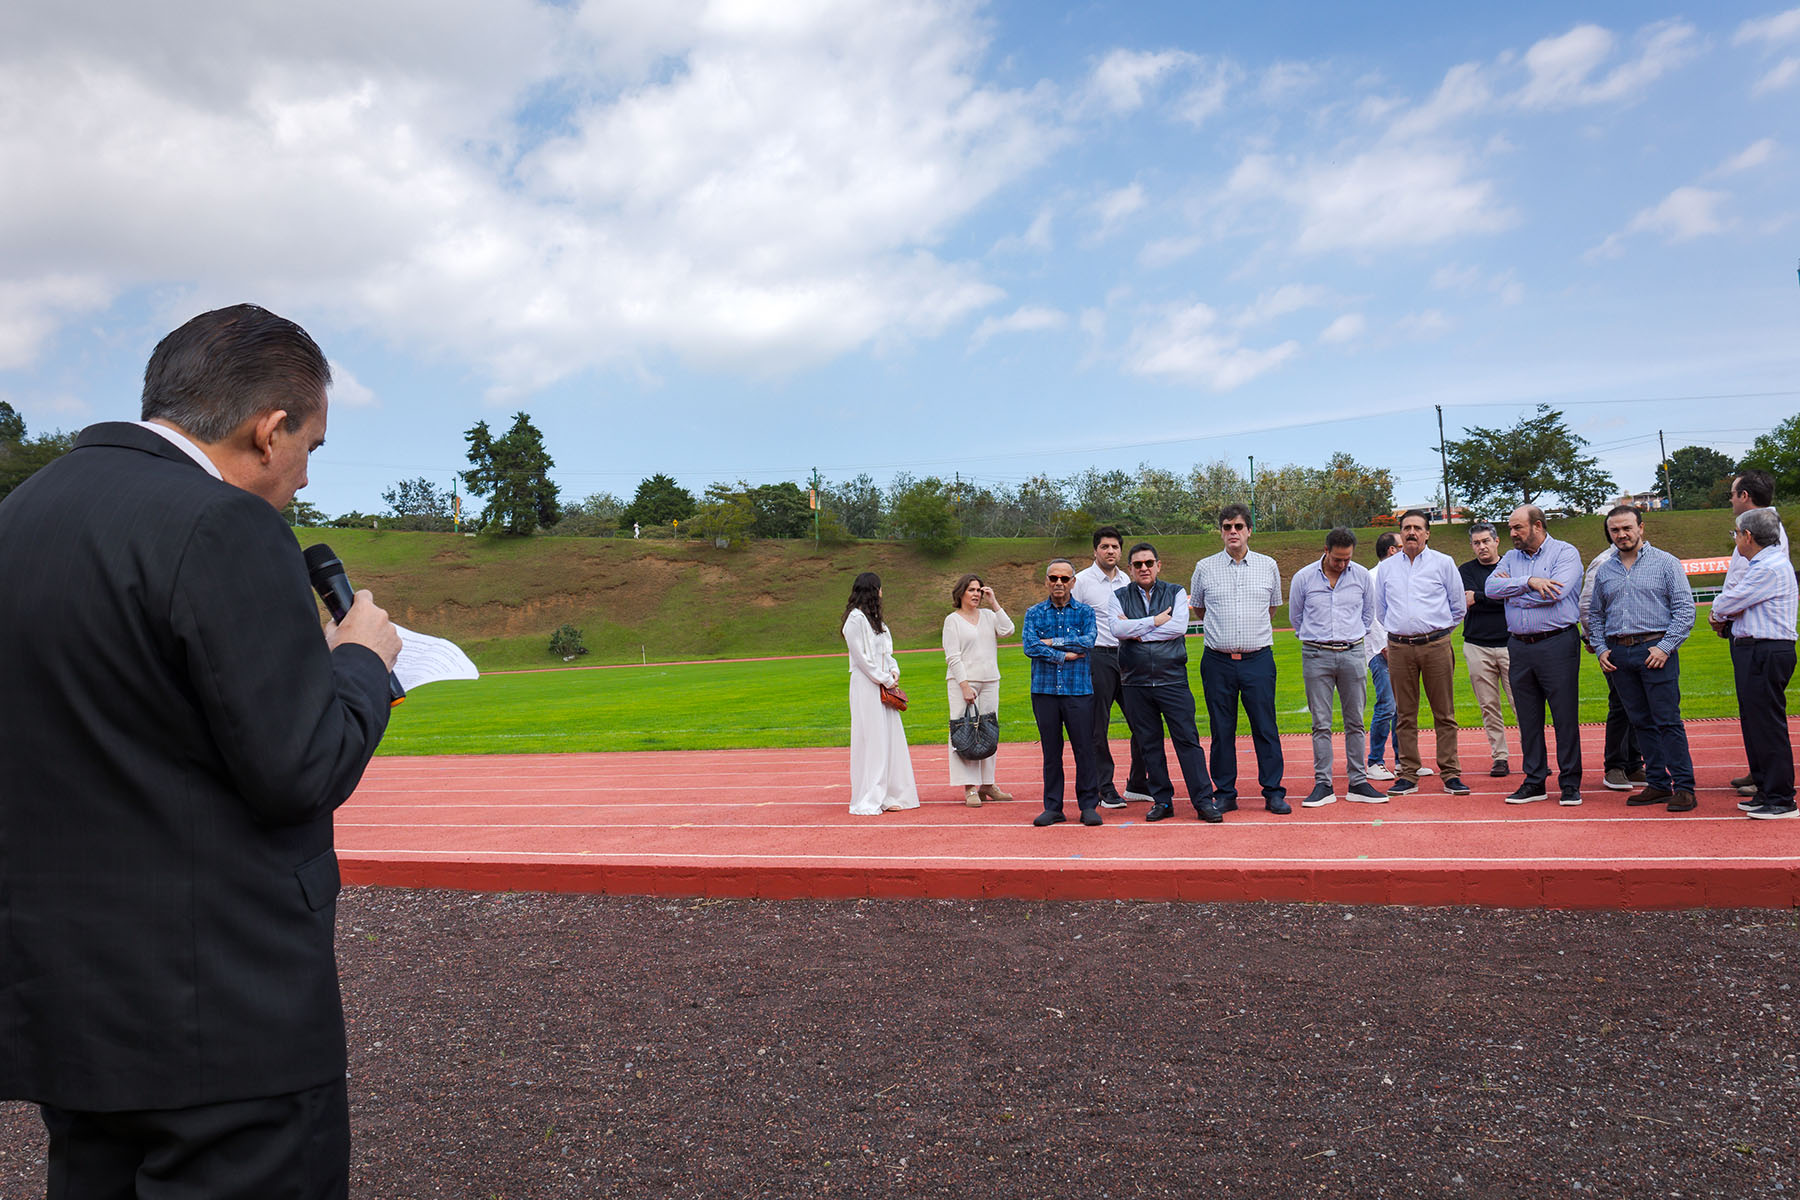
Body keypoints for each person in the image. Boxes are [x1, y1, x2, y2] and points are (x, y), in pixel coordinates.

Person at [0, 304, 403, 1198]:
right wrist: (362, 664)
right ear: (270, 431)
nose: (301, 481)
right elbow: (300, 767)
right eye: (312, 447)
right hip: (223, 1021)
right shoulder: (222, 526)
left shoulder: (19, 517)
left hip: (68, 1014)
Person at [1586, 505, 1697, 812]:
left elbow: (1686, 610)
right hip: (1620, 654)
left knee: (1667, 721)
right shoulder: (1606, 569)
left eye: (1626, 528)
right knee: (1641, 723)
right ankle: (1659, 785)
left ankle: (1684, 787)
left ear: (1641, 528)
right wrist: (1602, 647)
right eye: (1615, 530)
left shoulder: (1665, 563)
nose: (1621, 534)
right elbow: (1596, 613)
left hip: (1655, 651)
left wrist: (1665, 647)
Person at [1107, 542, 1220, 822]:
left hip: (1172, 680)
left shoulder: (1176, 592)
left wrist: (1138, 629)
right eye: (1137, 564)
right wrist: (1155, 621)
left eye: (1148, 563)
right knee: (1149, 745)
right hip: (1135, 682)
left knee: (1188, 741)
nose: (1143, 568)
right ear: (1130, 568)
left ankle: (1203, 800)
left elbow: (1178, 627)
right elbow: (1116, 629)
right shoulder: (1118, 596)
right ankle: (1162, 800)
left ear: (1159, 565)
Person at [1189, 503, 1289, 814]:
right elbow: (1199, 609)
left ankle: (1273, 791)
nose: (1233, 532)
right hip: (1217, 660)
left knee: (1265, 727)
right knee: (1221, 729)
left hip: (1258, 659)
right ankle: (1225, 792)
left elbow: (1271, 609)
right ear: (1220, 531)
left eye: (1239, 526)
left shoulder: (1268, 565)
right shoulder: (1204, 567)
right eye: (1227, 527)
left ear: (1249, 531)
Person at [1486, 505, 1586, 806]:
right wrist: (1528, 583)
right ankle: (1534, 780)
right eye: (1510, 528)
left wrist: (1514, 597)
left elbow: (1555, 593)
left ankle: (1570, 783)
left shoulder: (1565, 553)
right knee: (1528, 718)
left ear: (1538, 526)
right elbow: (1491, 588)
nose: (1512, 534)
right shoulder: (1511, 558)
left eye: (1517, 528)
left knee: (1564, 716)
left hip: (1557, 643)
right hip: (1518, 645)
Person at [1372, 509, 1470, 796]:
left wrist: (1437, 634)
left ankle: (1451, 774)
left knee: (1444, 713)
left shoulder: (1443, 563)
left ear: (1428, 533)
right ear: (1401, 534)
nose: (1411, 532)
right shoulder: (1388, 568)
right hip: (1400, 648)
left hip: (1437, 645)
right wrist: (1400, 630)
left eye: (1417, 527)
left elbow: (1458, 606)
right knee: (1404, 714)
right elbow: (1381, 609)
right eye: (1406, 528)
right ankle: (1407, 774)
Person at [1288, 528, 1385, 806]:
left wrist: (1353, 637)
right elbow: (1296, 616)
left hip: (1352, 653)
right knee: (1321, 723)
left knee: (1355, 721)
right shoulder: (1303, 578)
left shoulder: (1362, 577)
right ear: (1326, 550)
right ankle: (1323, 785)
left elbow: (1369, 615)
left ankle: (1358, 782)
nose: (1342, 565)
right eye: (1337, 559)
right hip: (1316, 655)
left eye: (1347, 559)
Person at [1712, 507, 1798, 820]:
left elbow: (1729, 601)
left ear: (1748, 536)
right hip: (1759, 649)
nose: (1735, 539)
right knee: (1757, 723)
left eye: (1736, 534)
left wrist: (1719, 611)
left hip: (1766, 650)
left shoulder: (1768, 567)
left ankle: (1781, 798)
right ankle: (1767, 791)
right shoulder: (1765, 563)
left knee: (1767, 726)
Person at [1073, 526, 1149, 808]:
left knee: (1142, 722)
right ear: (1095, 550)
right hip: (1097, 657)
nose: (1110, 551)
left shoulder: (1127, 580)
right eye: (1105, 546)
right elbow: (1073, 618)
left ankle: (1137, 783)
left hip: (1127, 657)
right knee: (1098, 727)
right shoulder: (1081, 581)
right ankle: (1104, 788)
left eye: (1115, 547)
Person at [1023, 559, 1102, 826]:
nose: (1059, 583)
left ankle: (1089, 805)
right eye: (1054, 578)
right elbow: (1030, 646)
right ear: (1046, 581)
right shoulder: (1034, 613)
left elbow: (1089, 641)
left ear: (1073, 582)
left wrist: (1051, 643)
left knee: (1085, 749)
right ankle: (1053, 806)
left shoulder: (1085, 612)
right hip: (1044, 691)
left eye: (1064, 579)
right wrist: (1063, 656)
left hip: (1078, 691)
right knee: (1051, 751)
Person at [844, 572, 921, 816]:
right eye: (880, 588)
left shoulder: (878, 622)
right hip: (867, 686)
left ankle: (890, 793)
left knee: (889, 738)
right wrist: (886, 679)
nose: (881, 593)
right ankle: (870, 796)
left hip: (882, 684)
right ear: (872, 590)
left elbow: (887, 653)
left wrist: (894, 671)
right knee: (873, 739)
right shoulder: (855, 621)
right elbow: (862, 660)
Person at [942, 573, 1016, 806]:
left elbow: (1008, 630)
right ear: (961, 593)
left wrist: (994, 602)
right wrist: (964, 685)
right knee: (964, 731)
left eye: (979, 590)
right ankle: (970, 787)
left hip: (990, 680)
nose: (976, 594)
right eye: (971, 590)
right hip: (963, 682)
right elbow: (952, 657)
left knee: (988, 732)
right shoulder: (952, 620)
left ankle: (987, 784)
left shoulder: (987, 616)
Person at [1579, 540, 1645, 792]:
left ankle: (1633, 763)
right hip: (1613, 643)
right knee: (1621, 703)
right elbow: (1587, 604)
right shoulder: (1603, 562)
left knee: (1638, 703)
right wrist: (1592, 639)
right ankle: (1615, 765)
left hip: (1641, 641)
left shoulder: (1648, 559)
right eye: (1617, 529)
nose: (1624, 534)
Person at [1460, 521, 1515, 778]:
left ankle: (1535, 755)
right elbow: (1467, 600)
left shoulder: (1511, 565)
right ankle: (1500, 756)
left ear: (1496, 541)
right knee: (1489, 705)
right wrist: (1496, 595)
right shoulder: (1465, 570)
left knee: (1521, 704)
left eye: (1485, 541)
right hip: (1477, 645)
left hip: (1511, 644)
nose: (1481, 546)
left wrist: (1480, 597)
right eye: (1476, 543)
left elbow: (1512, 595)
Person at [1363, 531, 1402, 781]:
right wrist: (1384, 647)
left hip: (1403, 647)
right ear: (1391, 551)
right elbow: (1372, 616)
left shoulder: (1399, 575)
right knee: (1387, 705)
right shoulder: (1373, 577)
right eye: (1401, 546)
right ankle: (1375, 760)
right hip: (1382, 650)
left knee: (1403, 708)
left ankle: (1404, 760)